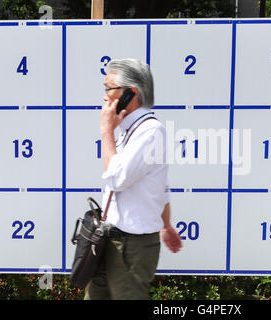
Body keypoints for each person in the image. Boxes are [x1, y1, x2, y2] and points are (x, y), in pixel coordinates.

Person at [84, 58, 182, 300]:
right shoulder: (131, 130)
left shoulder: (149, 132)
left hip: (131, 248)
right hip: (110, 240)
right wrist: (166, 226)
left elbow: (117, 178)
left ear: (131, 93)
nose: (105, 96)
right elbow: (160, 188)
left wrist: (106, 130)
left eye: (109, 88)